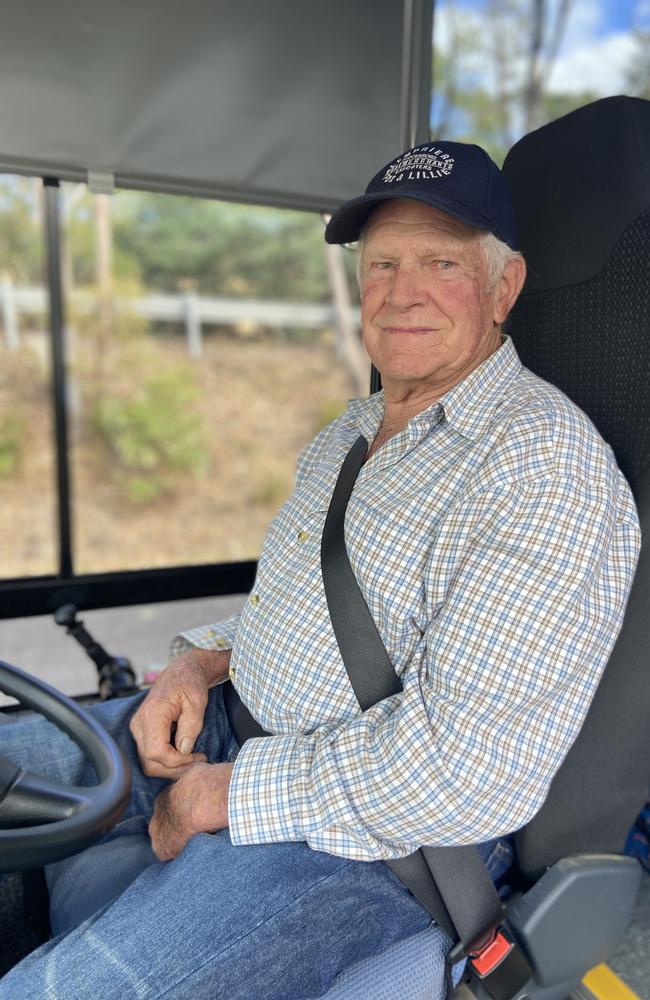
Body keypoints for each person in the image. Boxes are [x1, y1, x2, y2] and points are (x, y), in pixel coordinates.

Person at [0, 141, 640, 999]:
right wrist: (195, 663)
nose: (400, 290)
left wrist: (222, 795)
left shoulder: (544, 470)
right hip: (226, 729)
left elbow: (459, 772)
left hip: (373, 841)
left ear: (504, 288)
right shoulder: (353, 428)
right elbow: (293, 609)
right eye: (382, 263)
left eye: (441, 262)